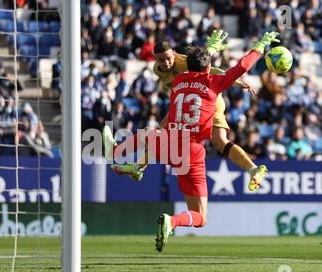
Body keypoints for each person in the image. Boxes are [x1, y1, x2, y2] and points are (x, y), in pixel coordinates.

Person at [103, 31, 280, 252]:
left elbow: (198, 65)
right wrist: (260, 45)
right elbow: (241, 67)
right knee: (200, 216)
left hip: (171, 144)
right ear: (207, 68)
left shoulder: (177, 81)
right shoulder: (213, 83)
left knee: (150, 134)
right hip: (193, 152)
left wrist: (211, 49)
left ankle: (123, 154)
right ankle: (172, 221)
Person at [110, 30, 267, 192]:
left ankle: (133, 163)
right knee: (161, 131)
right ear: (155, 59)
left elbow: (208, 68)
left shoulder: (183, 65)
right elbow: (203, 62)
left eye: (168, 58)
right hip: (188, 104)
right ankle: (137, 166)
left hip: (207, 101)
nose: (165, 63)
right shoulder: (159, 69)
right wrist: (213, 50)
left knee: (217, 141)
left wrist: (234, 80)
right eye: (161, 60)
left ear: (175, 54)